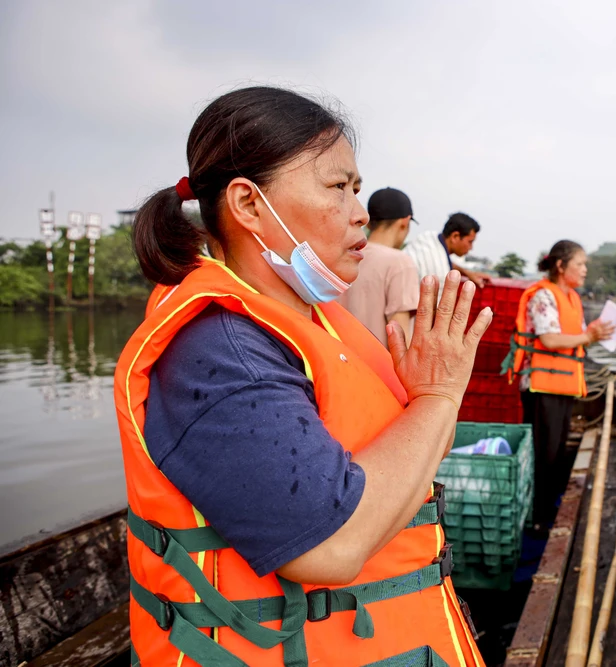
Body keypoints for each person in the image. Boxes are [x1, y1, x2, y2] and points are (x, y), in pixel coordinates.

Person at [116, 86, 490, 667]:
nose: (360, 211)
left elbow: (415, 456)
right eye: (337, 187)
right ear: (248, 204)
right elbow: (330, 547)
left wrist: (430, 397)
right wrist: (439, 397)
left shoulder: (317, 319)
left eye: (357, 189)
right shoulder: (222, 349)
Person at [508, 240, 613, 532]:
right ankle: (537, 518)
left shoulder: (572, 298)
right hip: (542, 386)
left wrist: (595, 335)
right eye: (579, 263)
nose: (584, 269)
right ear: (560, 266)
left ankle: (548, 509)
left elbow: (575, 336)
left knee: (556, 452)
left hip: (563, 384)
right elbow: (551, 340)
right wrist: (589, 338)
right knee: (545, 454)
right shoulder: (543, 295)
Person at [338, 187, 421, 348]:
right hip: (377, 369)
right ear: (405, 221)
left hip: (338, 362)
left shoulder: (345, 255)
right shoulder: (400, 262)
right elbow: (400, 338)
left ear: (369, 223)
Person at [405, 212, 489, 292]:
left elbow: (442, 260)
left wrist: (467, 273)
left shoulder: (428, 237)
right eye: (470, 242)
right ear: (455, 236)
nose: (471, 248)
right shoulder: (440, 274)